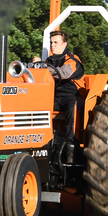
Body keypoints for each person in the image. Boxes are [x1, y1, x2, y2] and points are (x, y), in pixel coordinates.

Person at [33, 30, 84, 163]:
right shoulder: (49, 60)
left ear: (64, 44)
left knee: (71, 111)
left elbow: (64, 73)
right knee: (38, 107)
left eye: (56, 42)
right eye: (51, 42)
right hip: (56, 95)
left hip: (72, 95)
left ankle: (70, 151)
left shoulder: (72, 60)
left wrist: (42, 66)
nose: (52, 45)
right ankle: (42, 143)